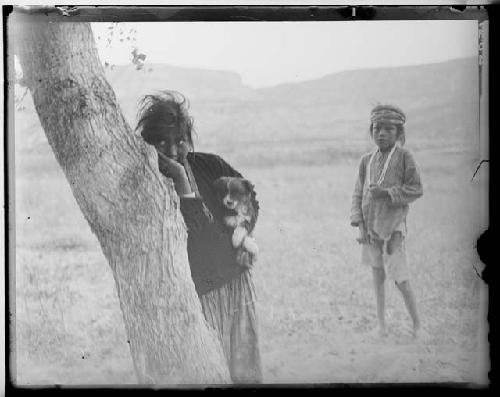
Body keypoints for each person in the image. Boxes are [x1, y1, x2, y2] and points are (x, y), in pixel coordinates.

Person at [136, 90, 263, 383]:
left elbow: (250, 199)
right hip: (198, 296)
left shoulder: (210, 165)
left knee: (245, 372)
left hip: (235, 284)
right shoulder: (149, 185)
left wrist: (242, 235)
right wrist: (180, 179)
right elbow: (198, 234)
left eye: (179, 140)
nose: (171, 149)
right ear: (147, 143)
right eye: (161, 141)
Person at [350, 104, 423, 338]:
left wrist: (388, 193)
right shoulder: (366, 160)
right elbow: (358, 194)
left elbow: (416, 188)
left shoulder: (404, 157)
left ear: (399, 132)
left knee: (400, 278)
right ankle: (381, 326)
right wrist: (360, 225)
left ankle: (418, 326)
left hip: (394, 227)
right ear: (371, 131)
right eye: (377, 128)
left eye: (388, 129)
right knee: (377, 276)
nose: (381, 133)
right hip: (371, 227)